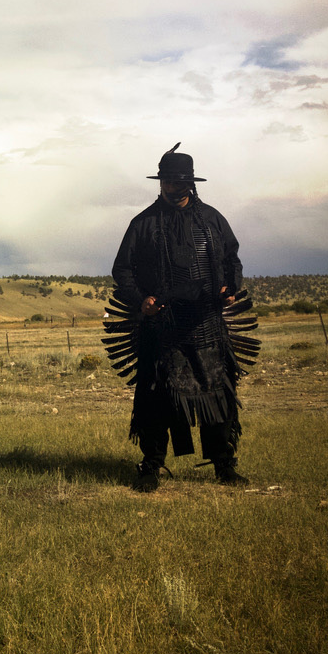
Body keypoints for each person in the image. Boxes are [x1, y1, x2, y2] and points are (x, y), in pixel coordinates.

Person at [111, 145, 249, 492]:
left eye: (180, 182)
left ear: (191, 183)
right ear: (160, 183)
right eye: (168, 182)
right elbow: (122, 270)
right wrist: (142, 302)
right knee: (157, 397)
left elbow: (233, 260)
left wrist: (230, 287)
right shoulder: (142, 225)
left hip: (207, 324)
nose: (174, 188)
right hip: (162, 327)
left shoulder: (214, 220)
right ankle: (151, 466)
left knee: (218, 393)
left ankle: (224, 465)